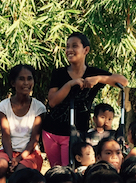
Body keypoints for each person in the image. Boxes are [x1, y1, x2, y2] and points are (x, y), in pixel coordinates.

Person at [43, 33, 128, 166]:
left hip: (76, 132)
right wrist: (70, 84)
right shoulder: (59, 73)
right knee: (55, 171)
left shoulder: (93, 73)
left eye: (74, 46)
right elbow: (52, 102)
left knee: (70, 171)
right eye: (67, 46)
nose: (69, 50)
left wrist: (99, 79)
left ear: (86, 50)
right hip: (51, 131)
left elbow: (123, 81)